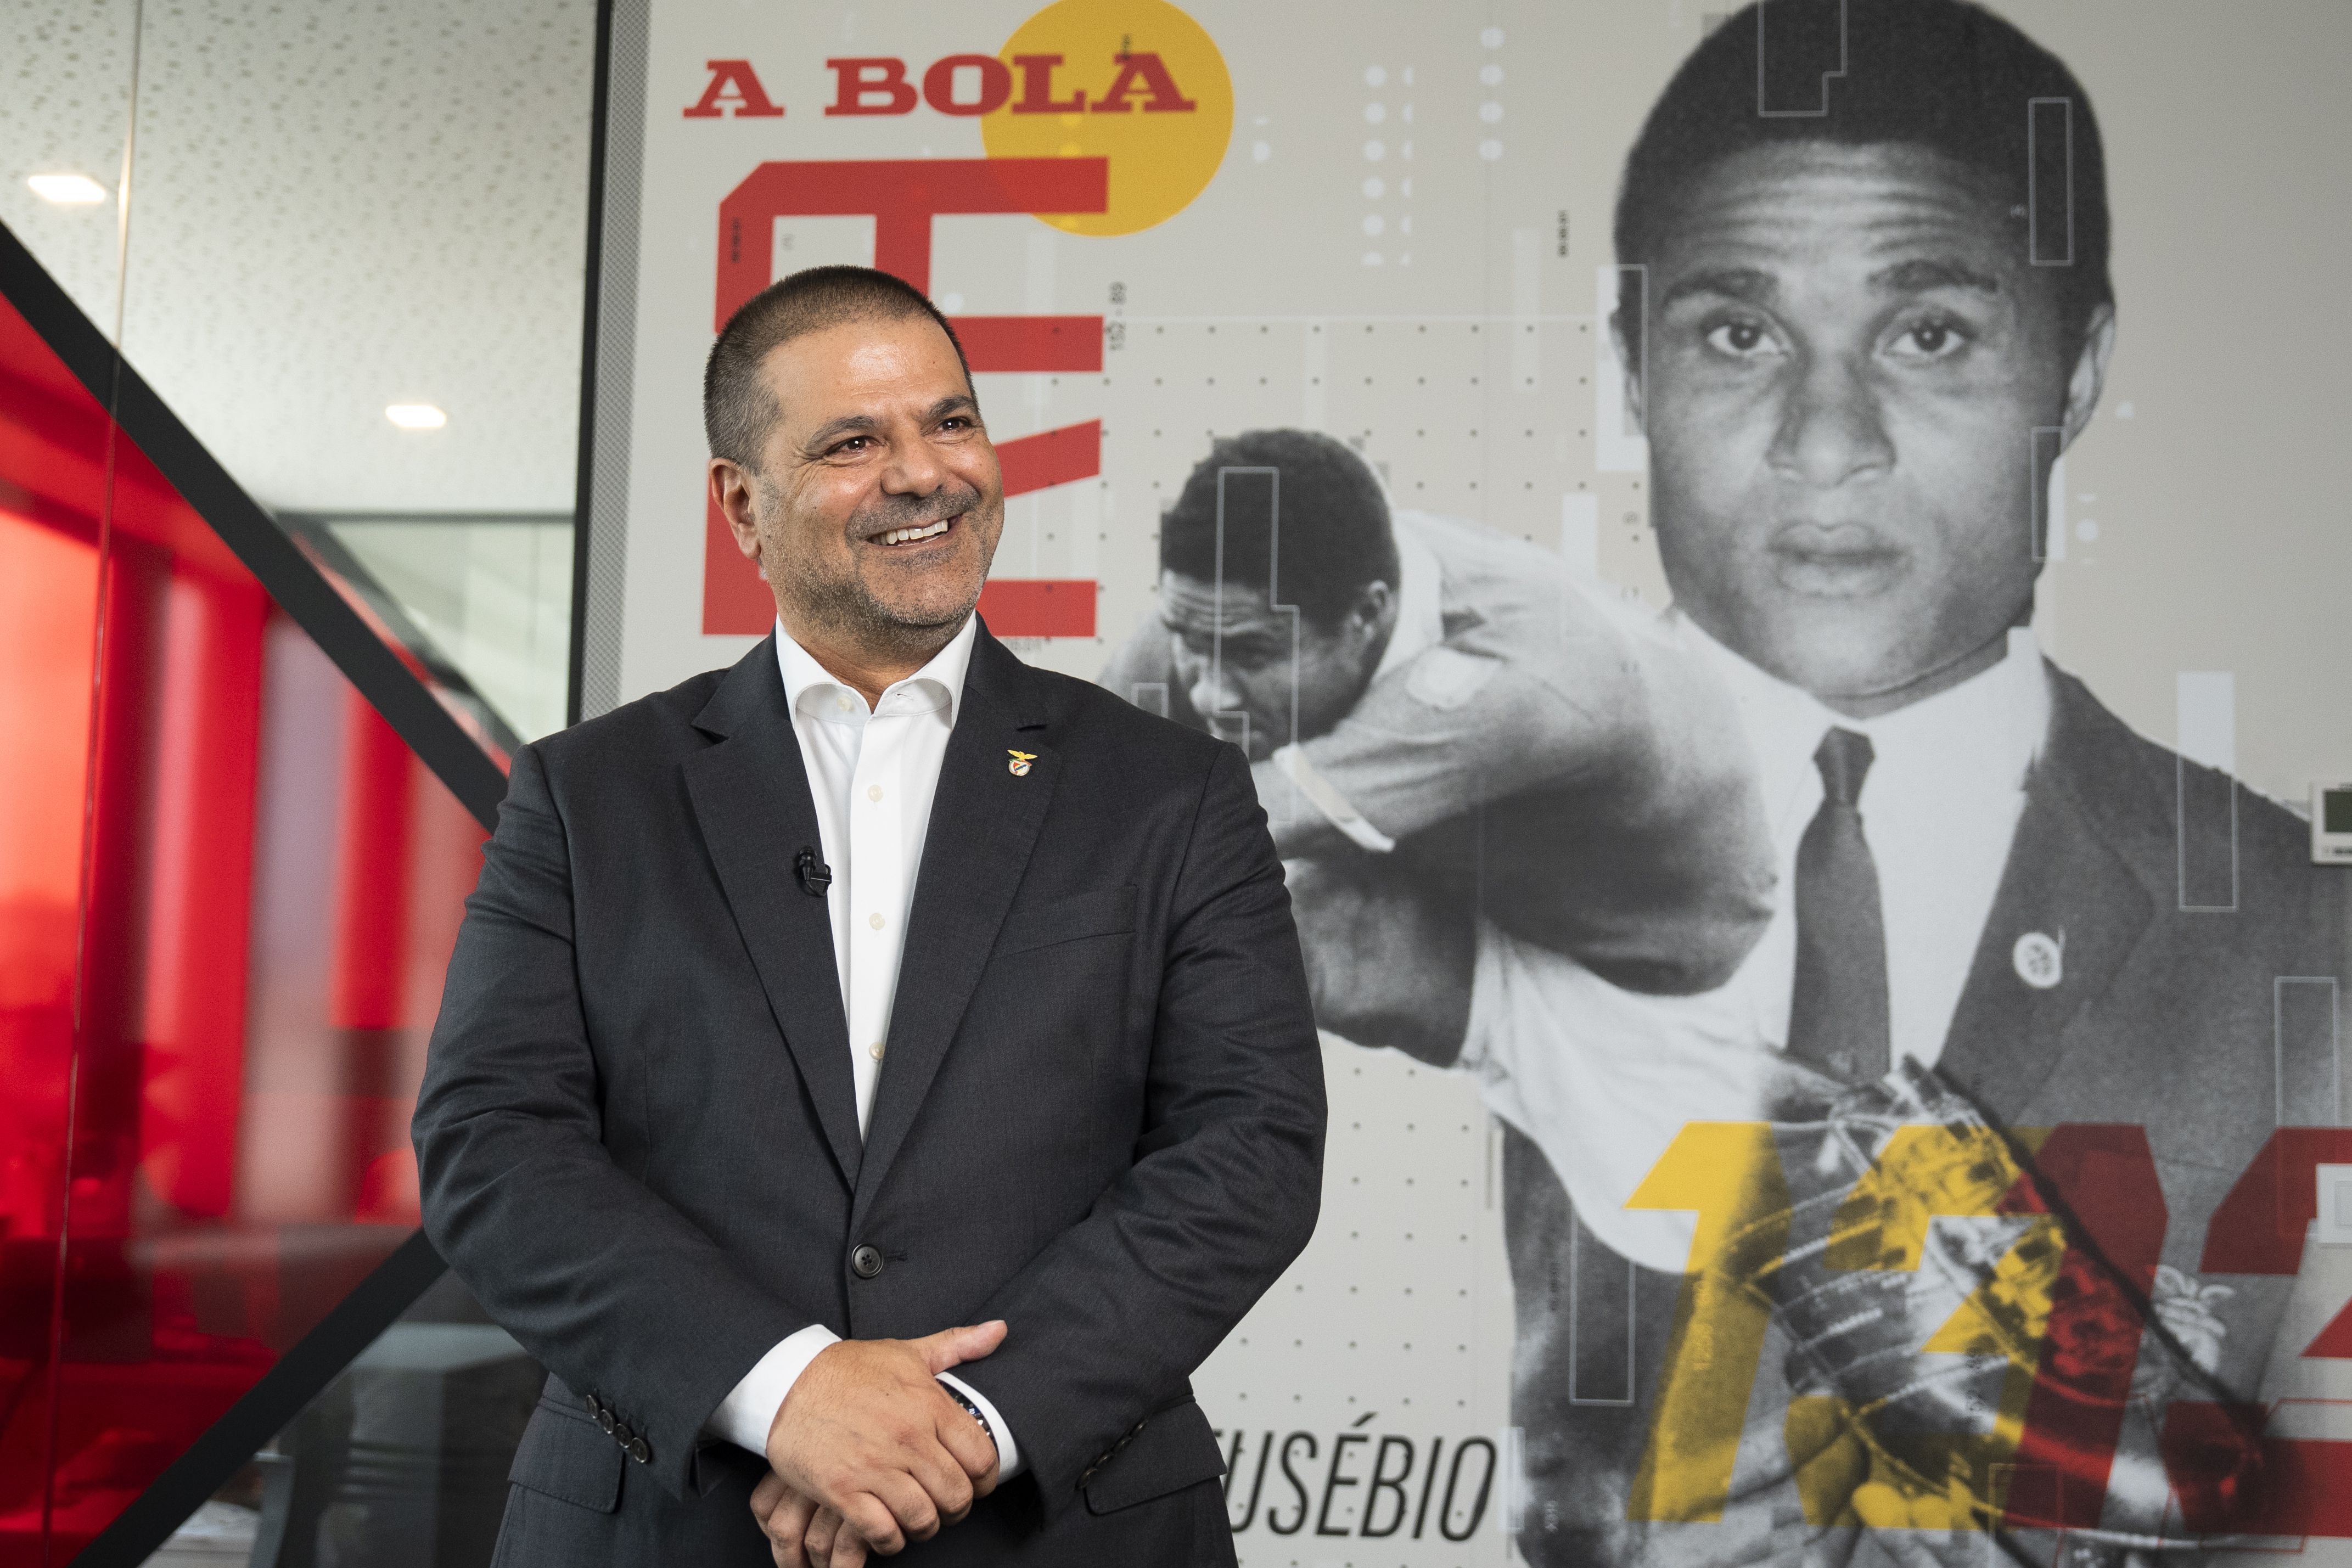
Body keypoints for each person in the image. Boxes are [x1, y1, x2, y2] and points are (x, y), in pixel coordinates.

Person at [1304, 3, 2350, 1563]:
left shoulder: (2304, 949)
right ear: (1627, 374)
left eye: (1927, 333)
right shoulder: (1347, 870)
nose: (1824, 439)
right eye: (1738, 333)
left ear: (2072, 371)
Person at [412, 265, 1326, 1567]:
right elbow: (493, 1145)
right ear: (742, 503)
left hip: (1059, 1523)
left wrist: (959, 1426)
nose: (925, 473)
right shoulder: (587, 795)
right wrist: (784, 1389)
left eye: (950, 422)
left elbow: (1250, 1149)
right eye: (854, 441)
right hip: (668, 1530)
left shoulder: (1169, 794)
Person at [1100, 428, 1775, 998]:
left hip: (1653, 960)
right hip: (1475, 852)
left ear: (1368, 613)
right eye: (1190, 642)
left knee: (1230, 917)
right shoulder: (1233, 604)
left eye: (1249, 655)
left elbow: (1216, 832)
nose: (1210, 694)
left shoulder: (1521, 683)